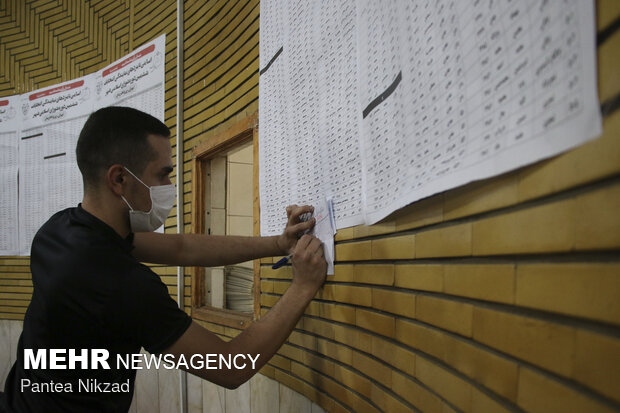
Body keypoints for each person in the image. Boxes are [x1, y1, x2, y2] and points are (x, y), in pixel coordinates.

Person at [1, 106, 327, 412]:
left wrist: (277, 243)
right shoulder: (121, 284)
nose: (169, 186)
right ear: (119, 179)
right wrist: (302, 286)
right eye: (162, 174)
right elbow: (230, 366)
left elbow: (181, 248)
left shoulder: (60, 230)